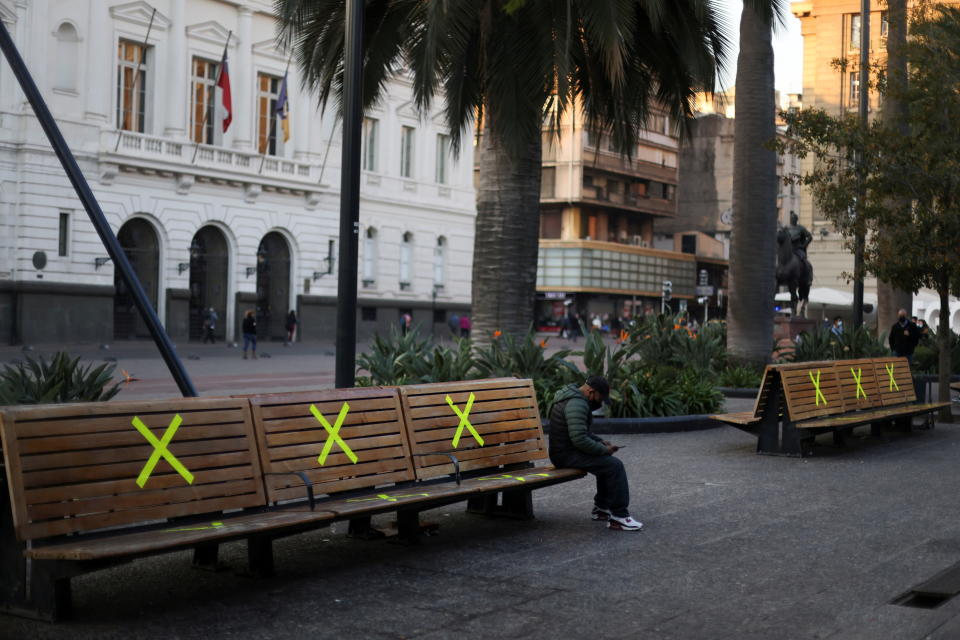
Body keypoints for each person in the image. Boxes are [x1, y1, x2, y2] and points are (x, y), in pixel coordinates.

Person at [547, 376, 642, 532]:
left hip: (565, 451)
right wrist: (604, 450)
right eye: (600, 397)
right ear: (591, 391)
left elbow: (581, 433)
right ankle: (619, 517)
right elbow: (579, 439)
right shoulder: (576, 404)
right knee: (614, 465)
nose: (601, 402)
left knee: (606, 463)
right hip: (565, 455)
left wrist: (600, 441)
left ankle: (601, 509)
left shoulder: (575, 399)